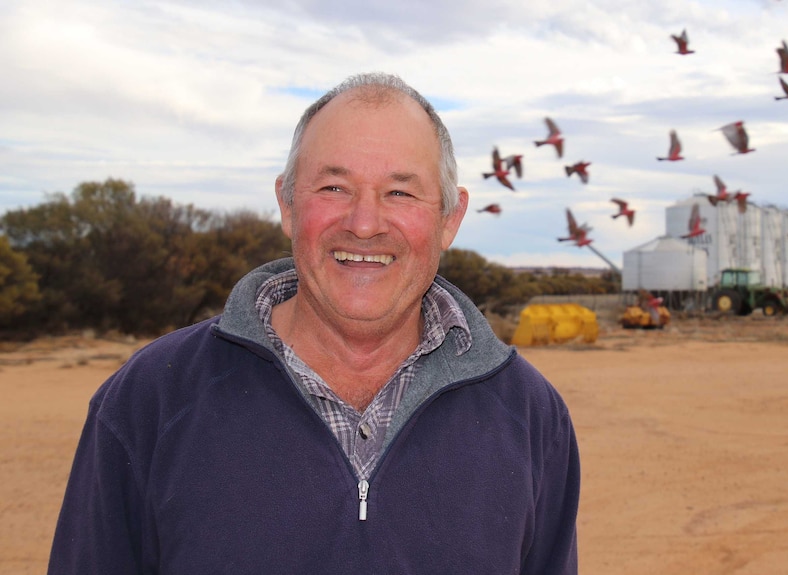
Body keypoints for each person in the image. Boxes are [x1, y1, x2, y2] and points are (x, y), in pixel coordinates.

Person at [48, 72, 580, 574]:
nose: (365, 224)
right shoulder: (149, 399)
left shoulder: (531, 417)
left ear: (449, 219)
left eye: (400, 192)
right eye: (333, 188)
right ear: (287, 205)